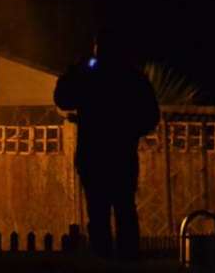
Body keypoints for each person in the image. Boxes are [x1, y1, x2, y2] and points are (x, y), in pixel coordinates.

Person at [53, 27, 160, 260]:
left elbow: (61, 97)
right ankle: (127, 260)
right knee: (124, 210)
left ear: (98, 48)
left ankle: (104, 260)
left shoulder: (89, 76)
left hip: (94, 156)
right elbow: (151, 116)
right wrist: (129, 131)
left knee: (99, 213)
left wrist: (76, 69)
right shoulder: (133, 78)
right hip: (120, 156)